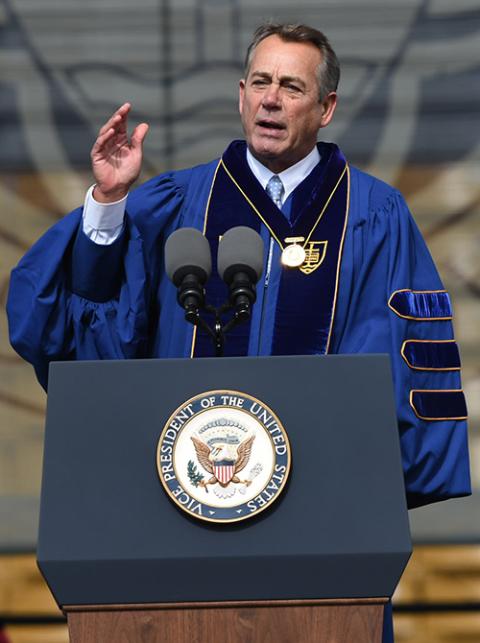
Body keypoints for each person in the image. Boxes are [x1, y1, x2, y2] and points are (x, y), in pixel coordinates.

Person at [7, 23, 470, 642]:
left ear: (326, 108)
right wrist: (108, 201)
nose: (270, 99)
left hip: (324, 539)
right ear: (241, 94)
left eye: (290, 86)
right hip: (172, 527)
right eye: (259, 82)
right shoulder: (176, 203)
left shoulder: (376, 216)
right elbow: (89, 323)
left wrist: (371, 484)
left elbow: (395, 370)